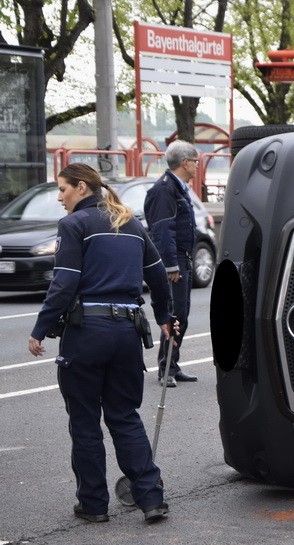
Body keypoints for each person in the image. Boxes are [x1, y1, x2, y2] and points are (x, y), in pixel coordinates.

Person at [28, 163, 175, 524]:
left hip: (86, 335)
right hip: (127, 333)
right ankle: (151, 499)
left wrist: (40, 329)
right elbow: (158, 275)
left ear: (80, 187)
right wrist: (164, 317)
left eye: (62, 189)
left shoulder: (74, 225)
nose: (60, 198)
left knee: (85, 421)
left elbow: (64, 283)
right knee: (125, 416)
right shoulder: (129, 222)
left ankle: (93, 505)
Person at [145, 140, 199, 388]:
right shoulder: (165, 190)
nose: (197, 166)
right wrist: (170, 265)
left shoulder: (178, 188)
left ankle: (172, 365)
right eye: (196, 162)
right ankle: (166, 368)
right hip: (174, 259)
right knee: (174, 315)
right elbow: (162, 230)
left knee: (182, 315)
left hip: (182, 258)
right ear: (185, 163)